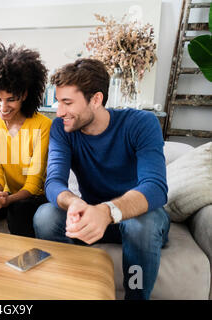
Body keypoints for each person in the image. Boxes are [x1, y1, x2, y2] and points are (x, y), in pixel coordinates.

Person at [33, 58, 170, 300]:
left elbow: (155, 187)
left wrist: (107, 211)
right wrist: (74, 203)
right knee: (45, 216)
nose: (59, 111)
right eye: (58, 102)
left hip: (137, 216)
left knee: (142, 225)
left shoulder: (141, 123)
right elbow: (54, 182)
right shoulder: (62, 128)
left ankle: (136, 296)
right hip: (93, 215)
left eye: (67, 102)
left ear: (96, 99)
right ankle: (71, 292)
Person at [0, 40, 52, 237]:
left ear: (25, 95)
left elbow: (33, 184)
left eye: (11, 99)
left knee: (18, 210)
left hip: (37, 196)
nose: (3, 107)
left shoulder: (42, 125)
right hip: (7, 193)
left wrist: (7, 201)